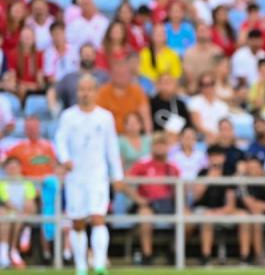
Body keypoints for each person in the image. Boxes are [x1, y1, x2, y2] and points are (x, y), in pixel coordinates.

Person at [54, 74, 124, 275]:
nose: (85, 93)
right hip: (75, 177)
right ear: (77, 92)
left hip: (97, 176)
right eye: (81, 89)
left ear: (95, 91)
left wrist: (117, 174)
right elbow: (60, 140)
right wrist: (65, 158)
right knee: (78, 222)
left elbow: (112, 147)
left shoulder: (105, 117)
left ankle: (100, 264)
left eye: (89, 89)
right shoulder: (68, 116)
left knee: (98, 217)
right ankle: (81, 267)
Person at [126, 133, 180, 265]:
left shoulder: (172, 166)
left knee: (188, 219)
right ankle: (147, 254)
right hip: (148, 203)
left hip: (167, 204)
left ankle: (174, 251)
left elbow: (179, 189)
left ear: (167, 147)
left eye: (163, 144)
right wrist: (138, 199)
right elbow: (123, 182)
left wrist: (181, 205)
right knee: (145, 216)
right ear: (151, 147)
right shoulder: (143, 163)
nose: (160, 148)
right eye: (157, 144)